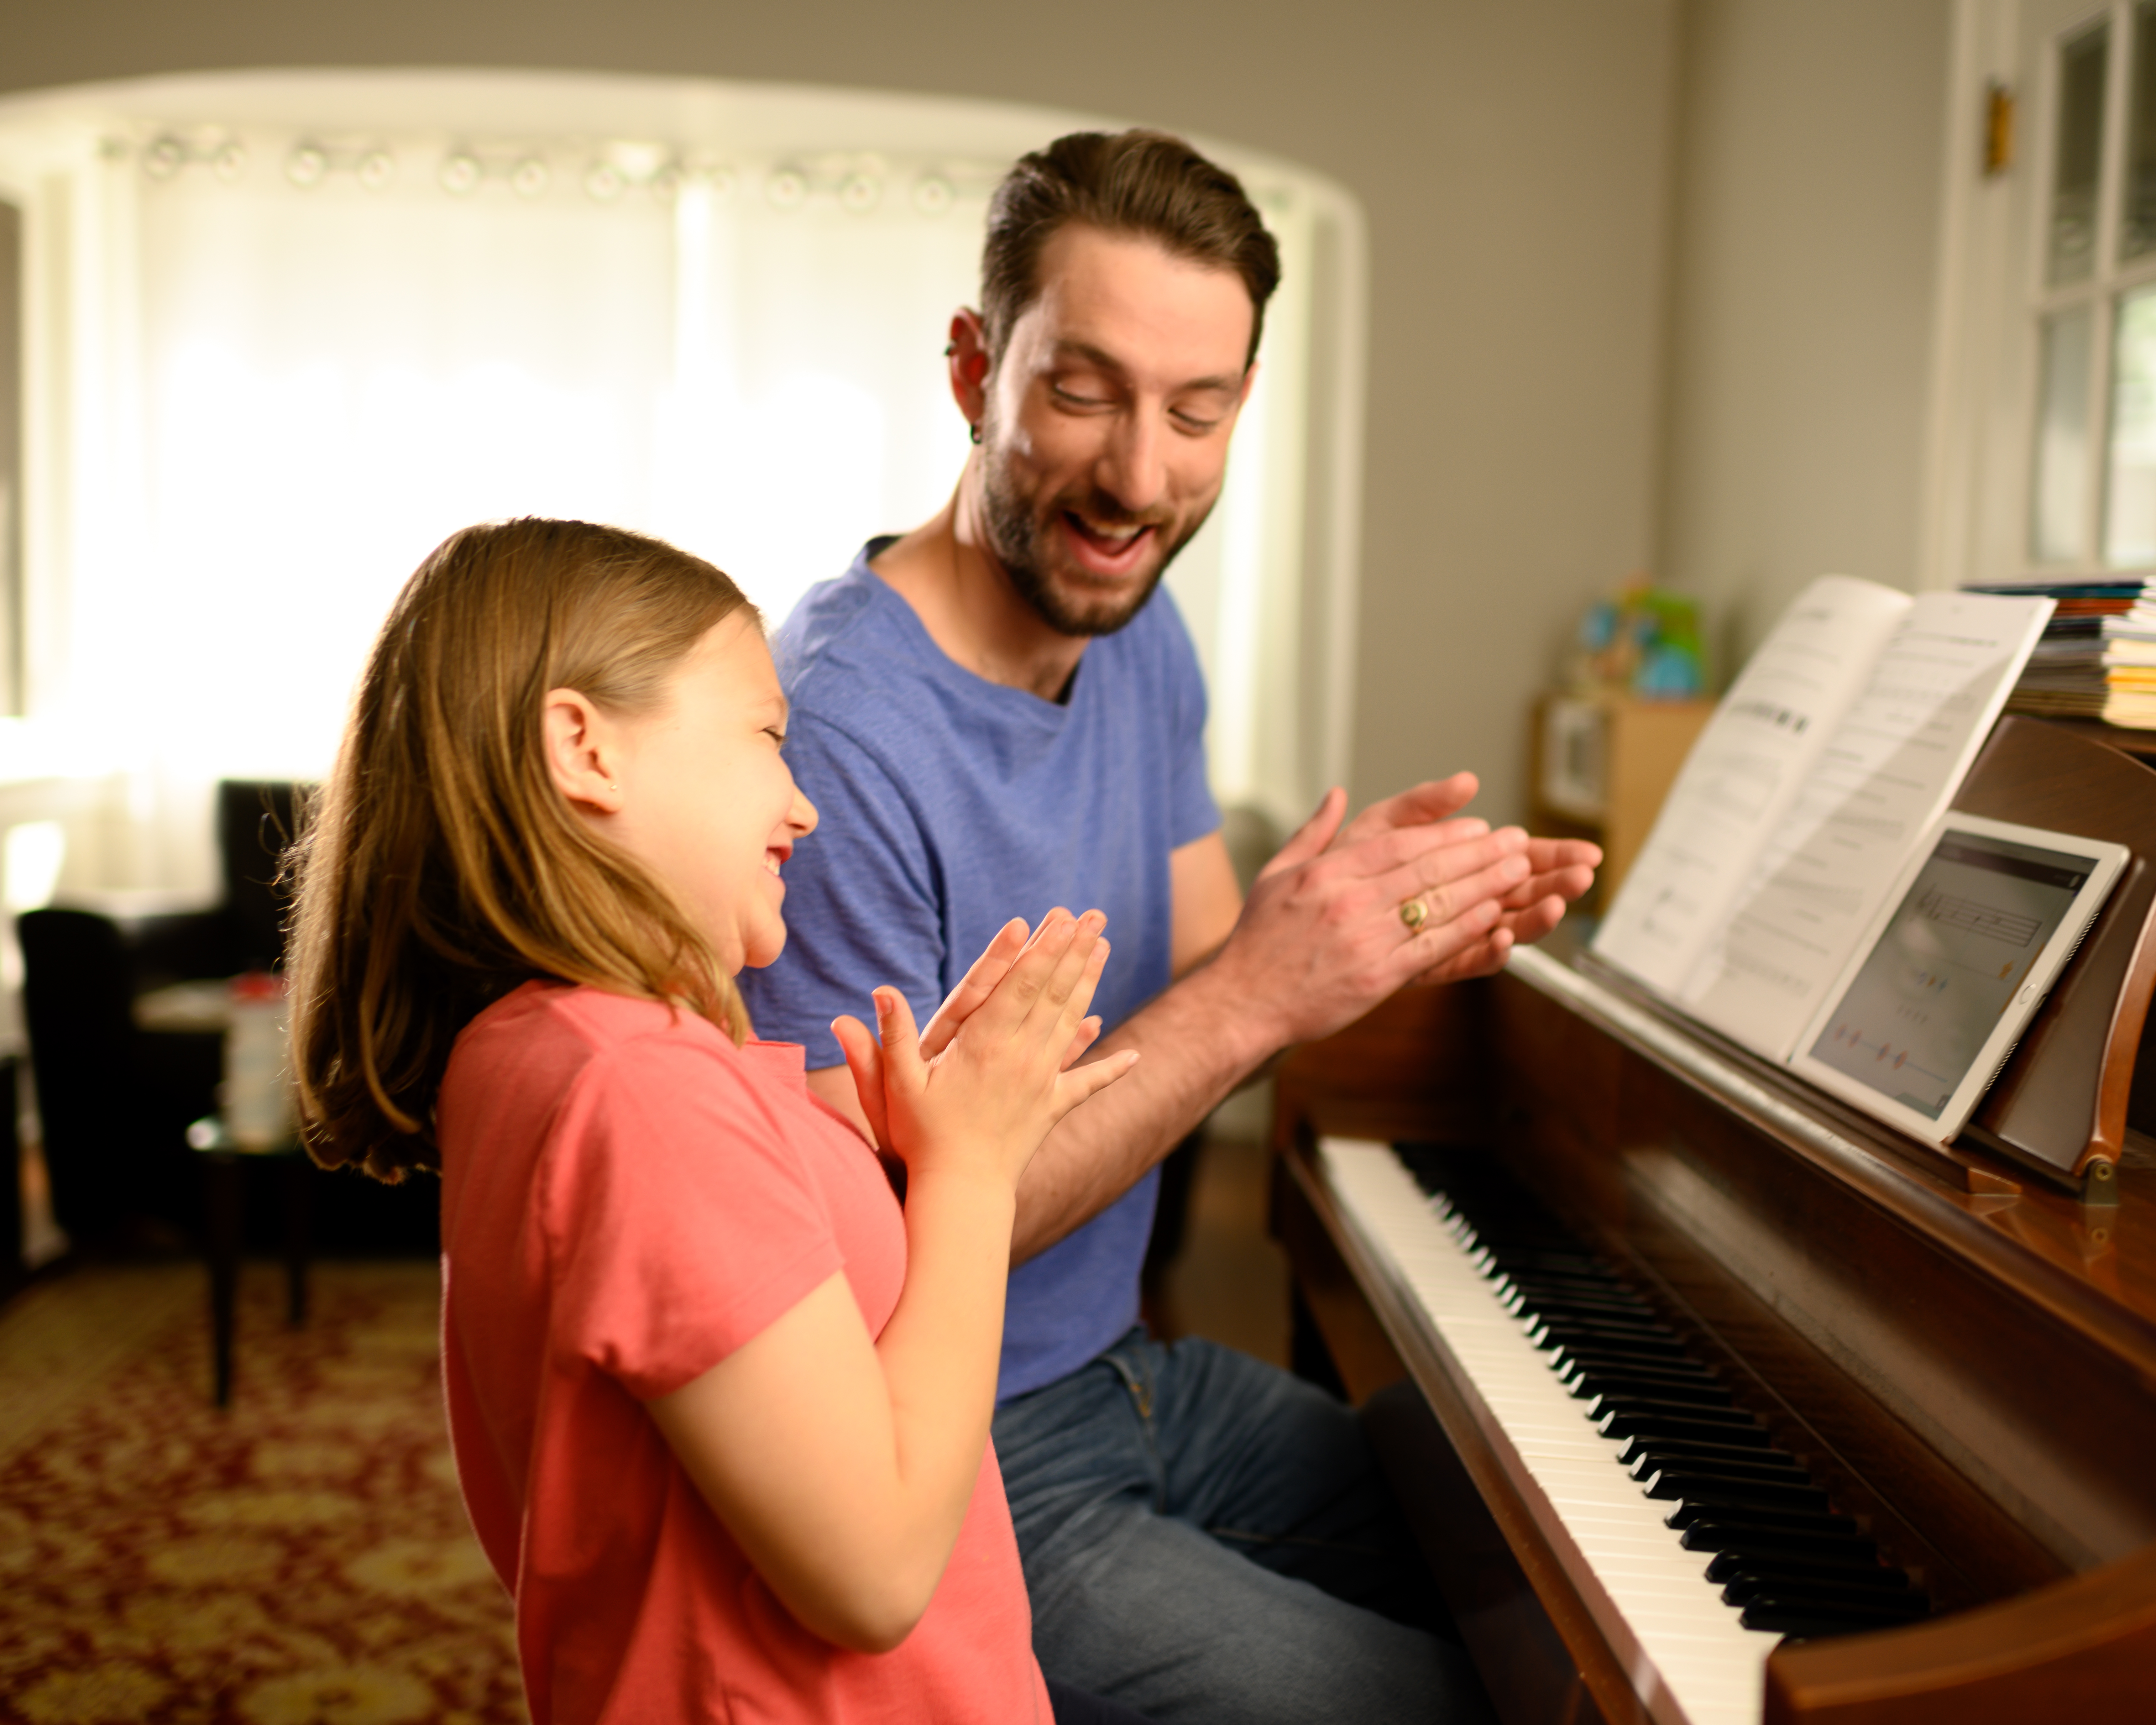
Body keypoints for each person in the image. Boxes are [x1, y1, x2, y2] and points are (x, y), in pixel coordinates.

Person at [736, 132, 1600, 1722]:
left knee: (1560, 1606)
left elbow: (1207, 952)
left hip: (1130, 1369)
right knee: (1447, 1699)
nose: (1140, 478)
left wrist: (1370, 931)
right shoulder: (835, 739)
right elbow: (875, 1254)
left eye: (1196, 412)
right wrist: (1260, 996)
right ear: (972, 367)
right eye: (1084, 393)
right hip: (948, 1445)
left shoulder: (1130, 617)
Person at [284, 517, 1158, 1724]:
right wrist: (973, 1172)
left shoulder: (570, 1050)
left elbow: (744, 1204)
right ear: (583, 748)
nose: (802, 809)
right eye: (766, 737)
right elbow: (879, 1568)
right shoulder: (642, 1095)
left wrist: (909, 1116)